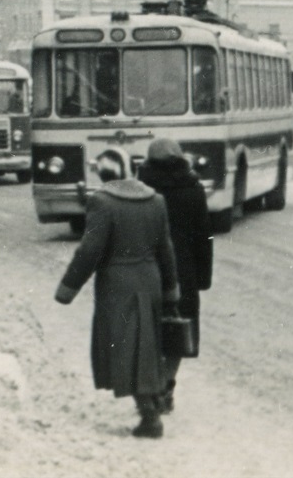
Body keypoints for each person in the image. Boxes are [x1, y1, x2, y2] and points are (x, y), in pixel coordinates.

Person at [54, 151, 179, 439]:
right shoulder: (156, 201)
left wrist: (68, 289)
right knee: (145, 346)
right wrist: (171, 289)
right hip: (150, 280)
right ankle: (154, 400)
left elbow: (90, 251)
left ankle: (150, 416)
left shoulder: (102, 202)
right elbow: (166, 249)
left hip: (118, 285)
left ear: (102, 174)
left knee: (127, 350)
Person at [136, 138, 212, 415]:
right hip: (184, 271)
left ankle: (151, 385)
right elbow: (204, 237)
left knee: (149, 330)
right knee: (179, 330)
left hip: (146, 269)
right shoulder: (193, 189)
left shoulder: (142, 189)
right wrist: (203, 278)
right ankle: (166, 385)